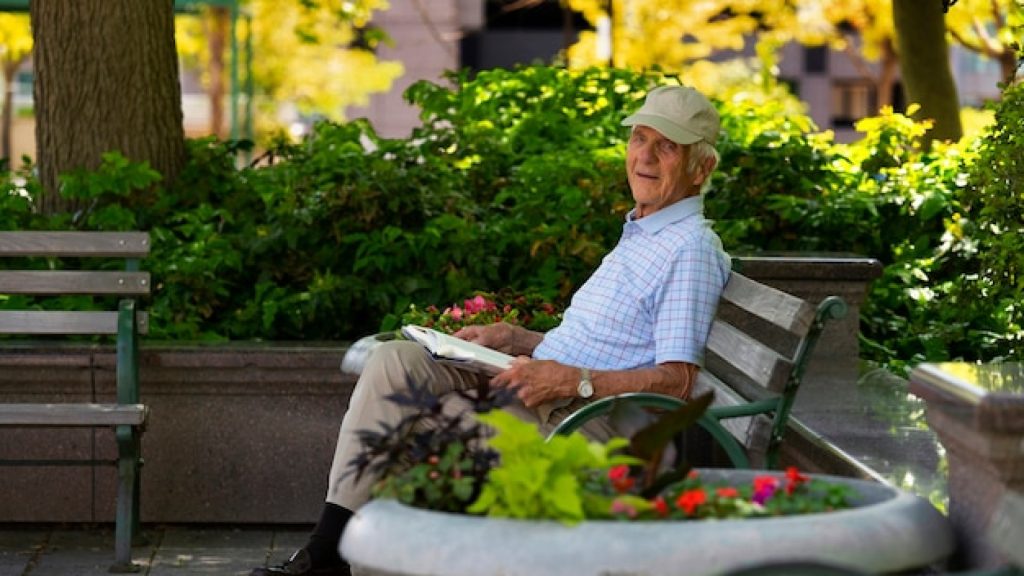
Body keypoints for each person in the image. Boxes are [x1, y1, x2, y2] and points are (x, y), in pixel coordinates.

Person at [250, 84, 732, 576]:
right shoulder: (643, 231)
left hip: (583, 425)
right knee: (395, 362)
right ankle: (329, 552)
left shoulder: (687, 249)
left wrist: (572, 380)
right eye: (639, 139)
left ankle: (333, 559)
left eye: (666, 146)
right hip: (547, 395)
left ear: (701, 168)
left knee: (405, 413)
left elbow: (677, 381)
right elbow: (608, 344)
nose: (644, 156)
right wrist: (517, 337)